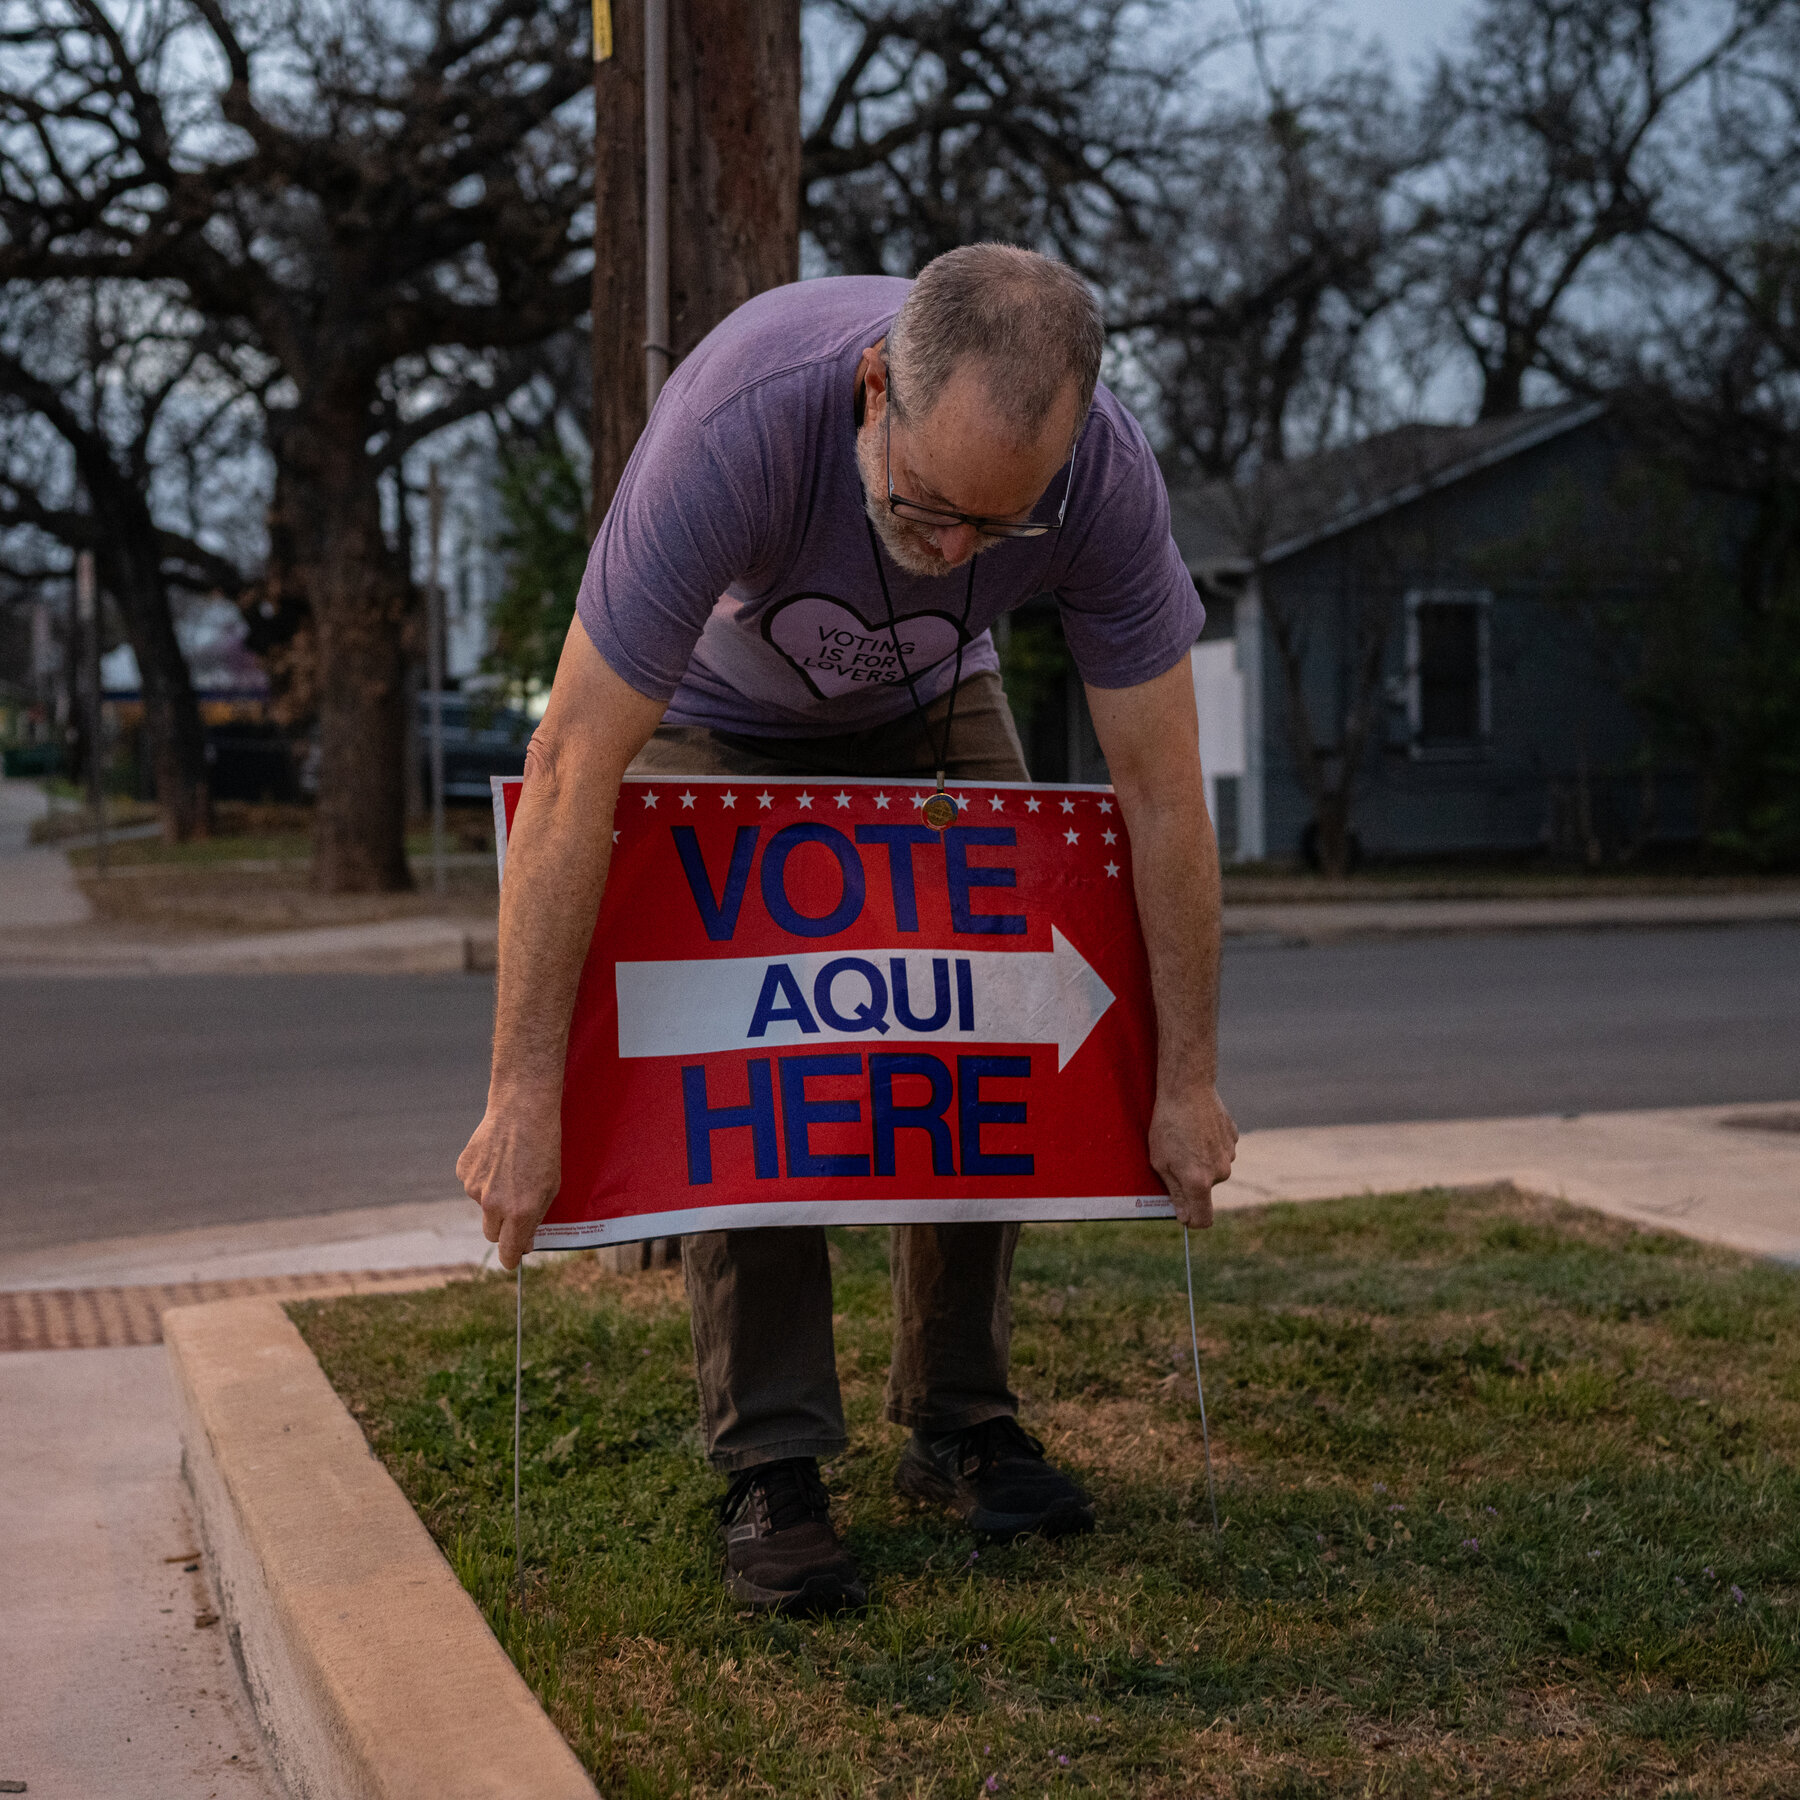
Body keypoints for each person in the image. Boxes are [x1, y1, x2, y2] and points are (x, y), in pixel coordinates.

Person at [458, 244, 1237, 1614]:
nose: (955, 553)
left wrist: (1189, 1080)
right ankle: (774, 1462)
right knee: (751, 1054)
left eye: (999, 529)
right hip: (713, 711)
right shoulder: (739, 422)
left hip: (936, 707)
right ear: (875, 389)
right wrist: (520, 1091)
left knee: (991, 1021)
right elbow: (573, 764)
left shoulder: (1102, 477)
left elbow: (1165, 797)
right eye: (931, 506)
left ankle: (961, 1417)